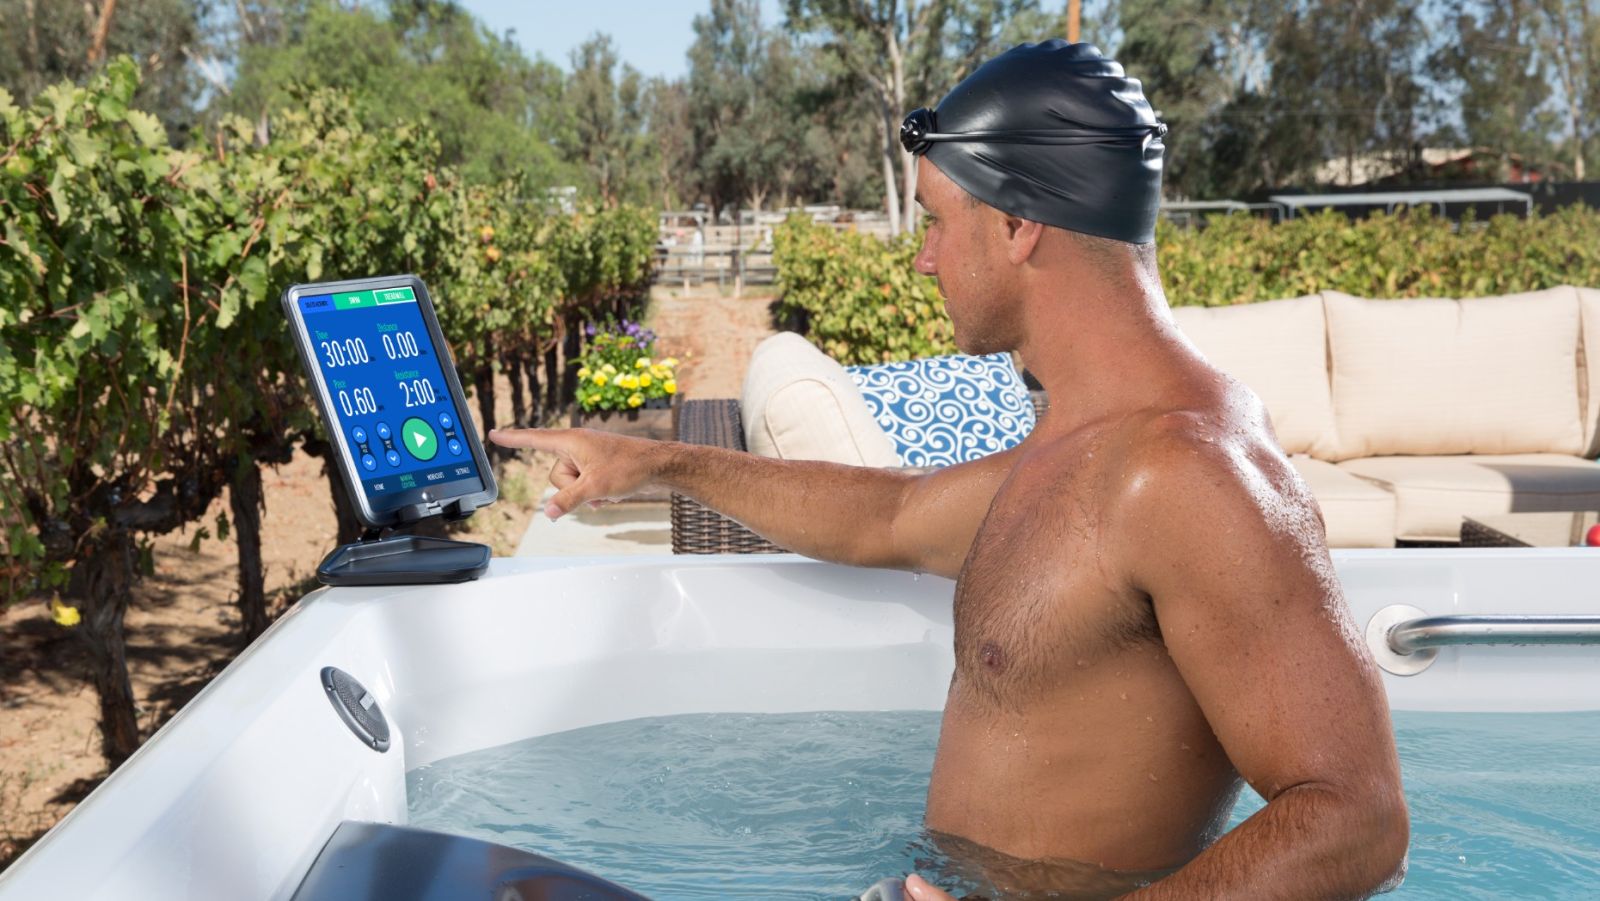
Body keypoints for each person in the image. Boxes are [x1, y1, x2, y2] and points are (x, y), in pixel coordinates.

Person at [491, 40, 1408, 900]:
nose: (924, 258)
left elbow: (1356, 818)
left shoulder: (1187, 471)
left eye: (936, 221)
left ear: (1016, 225)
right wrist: (652, 463)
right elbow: (887, 518)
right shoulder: (1087, 447)